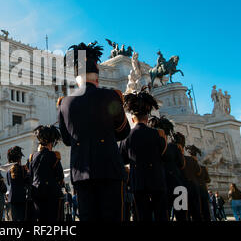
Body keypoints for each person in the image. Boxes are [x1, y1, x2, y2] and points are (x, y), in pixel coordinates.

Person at [58, 41, 130, 221]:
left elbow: (66, 139)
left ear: (77, 77)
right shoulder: (110, 96)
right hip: (110, 169)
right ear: (97, 76)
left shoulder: (65, 103)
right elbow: (123, 131)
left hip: (81, 173)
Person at [119, 90, 168, 221]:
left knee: (142, 214)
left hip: (138, 181)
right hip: (157, 179)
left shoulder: (127, 137)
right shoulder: (158, 134)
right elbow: (164, 155)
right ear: (147, 118)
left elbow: (122, 159)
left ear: (133, 118)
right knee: (161, 214)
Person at [148, 117, 187, 221]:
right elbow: (182, 165)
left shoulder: (151, 147)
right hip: (177, 185)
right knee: (182, 216)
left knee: (162, 215)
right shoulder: (174, 147)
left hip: (160, 185)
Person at [28, 125, 64, 221]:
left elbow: (30, 177)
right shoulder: (54, 156)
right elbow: (60, 176)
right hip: (51, 194)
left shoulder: (32, 157)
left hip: (36, 194)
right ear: (51, 142)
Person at [6, 146, 29, 221]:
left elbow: (9, 183)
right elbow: (28, 182)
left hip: (11, 199)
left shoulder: (8, 170)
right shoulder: (23, 169)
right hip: (21, 198)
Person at [182, 145, 203, 221]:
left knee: (184, 211)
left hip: (183, 186)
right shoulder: (193, 160)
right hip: (193, 186)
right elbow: (199, 172)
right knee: (196, 210)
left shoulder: (182, 158)